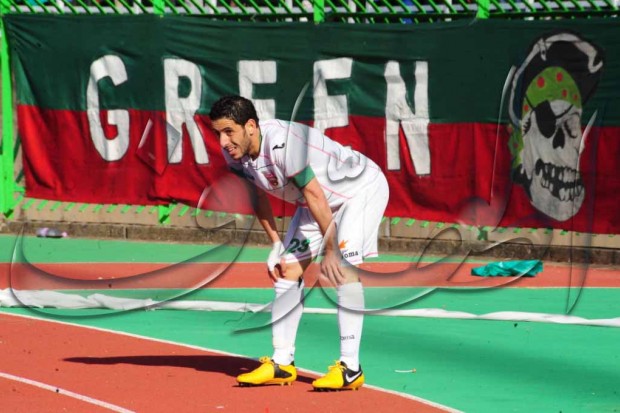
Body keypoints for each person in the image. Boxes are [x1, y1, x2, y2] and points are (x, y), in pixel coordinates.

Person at [209, 95, 389, 391]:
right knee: (287, 269)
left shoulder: (283, 144)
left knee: (342, 269)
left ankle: (351, 368)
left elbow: (315, 194)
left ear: (251, 126)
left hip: (359, 191)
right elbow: (257, 195)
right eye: (218, 133)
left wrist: (331, 250)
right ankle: (282, 363)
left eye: (228, 131)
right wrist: (276, 244)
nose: (223, 141)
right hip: (315, 202)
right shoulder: (235, 153)